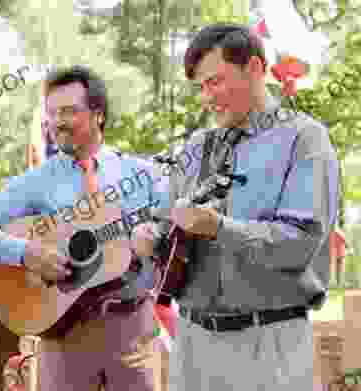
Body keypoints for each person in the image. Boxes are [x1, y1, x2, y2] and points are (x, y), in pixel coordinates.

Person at [131, 23, 339, 391]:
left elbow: (300, 242)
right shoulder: (197, 146)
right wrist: (151, 239)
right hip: (192, 344)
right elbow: (168, 229)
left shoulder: (305, 139)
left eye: (215, 82)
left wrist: (219, 228)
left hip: (270, 343)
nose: (206, 97)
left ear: (256, 69)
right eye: (200, 87)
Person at [0, 65, 169, 391]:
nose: (58, 122)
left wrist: (155, 240)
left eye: (69, 111)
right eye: (52, 113)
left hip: (134, 334)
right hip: (64, 337)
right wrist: (26, 253)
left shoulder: (144, 175)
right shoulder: (36, 182)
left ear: (98, 114)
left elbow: (176, 235)